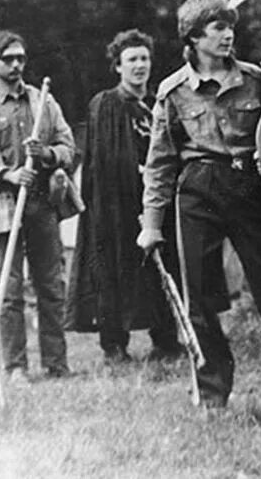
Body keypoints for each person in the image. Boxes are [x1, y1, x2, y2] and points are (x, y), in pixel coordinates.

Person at [137, 0, 261, 411]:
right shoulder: (173, 92)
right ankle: (212, 396)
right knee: (200, 300)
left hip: (247, 189)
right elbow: (159, 163)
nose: (229, 35)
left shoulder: (255, 79)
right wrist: (151, 224)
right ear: (193, 37)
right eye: (218, 28)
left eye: (231, 27)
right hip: (196, 193)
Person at [0, 30, 75, 380]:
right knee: (7, 290)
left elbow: (68, 147)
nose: (17, 65)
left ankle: (56, 363)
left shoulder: (43, 102)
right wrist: (5, 174)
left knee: (51, 286)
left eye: (21, 58)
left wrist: (48, 154)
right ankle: (16, 366)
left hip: (40, 205)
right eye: (9, 59)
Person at [65, 29, 182, 364]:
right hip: (115, 205)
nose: (140, 65)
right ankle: (114, 344)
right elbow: (103, 160)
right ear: (118, 66)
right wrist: (136, 172)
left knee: (160, 266)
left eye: (144, 58)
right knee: (112, 269)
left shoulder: (159, 103)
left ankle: (165, 340)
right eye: (132, 59)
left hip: (155, 200)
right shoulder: (107, 104)